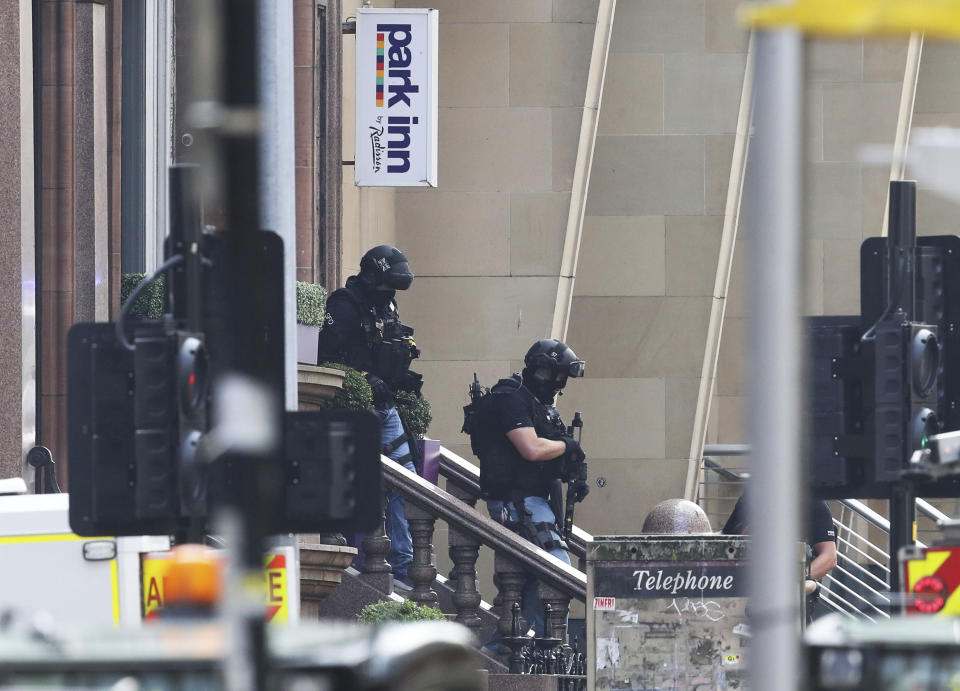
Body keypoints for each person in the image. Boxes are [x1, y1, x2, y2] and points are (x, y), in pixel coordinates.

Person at [467, 338, 589, 642]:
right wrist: (567, 446)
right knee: (557, 574)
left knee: (531, 585)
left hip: (535, 500)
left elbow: (549, 454)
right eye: (559, 377)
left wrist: (573, 468)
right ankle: (510, 650)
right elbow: (531, 449)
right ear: (545, 372)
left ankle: (512, 648)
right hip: (517, 502)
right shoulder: (510, 397)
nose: (560, 385)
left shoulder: (537, 405)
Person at [317, 245, 423, 585]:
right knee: (352, 483)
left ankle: (405, 563)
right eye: (386, 285)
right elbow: (324, 357)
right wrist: (362, 378)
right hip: (354, 410)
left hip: (386, 406)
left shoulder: (388, 305)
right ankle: (342, 548)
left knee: (406, 480)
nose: (390, 293)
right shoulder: (343, 305)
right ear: (371, 277)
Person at [722, 493, 837, 622]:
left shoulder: (812, 501)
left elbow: (829, 558)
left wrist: (792, 580)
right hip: (742, 597)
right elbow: (725, 541)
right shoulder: (750, 496)